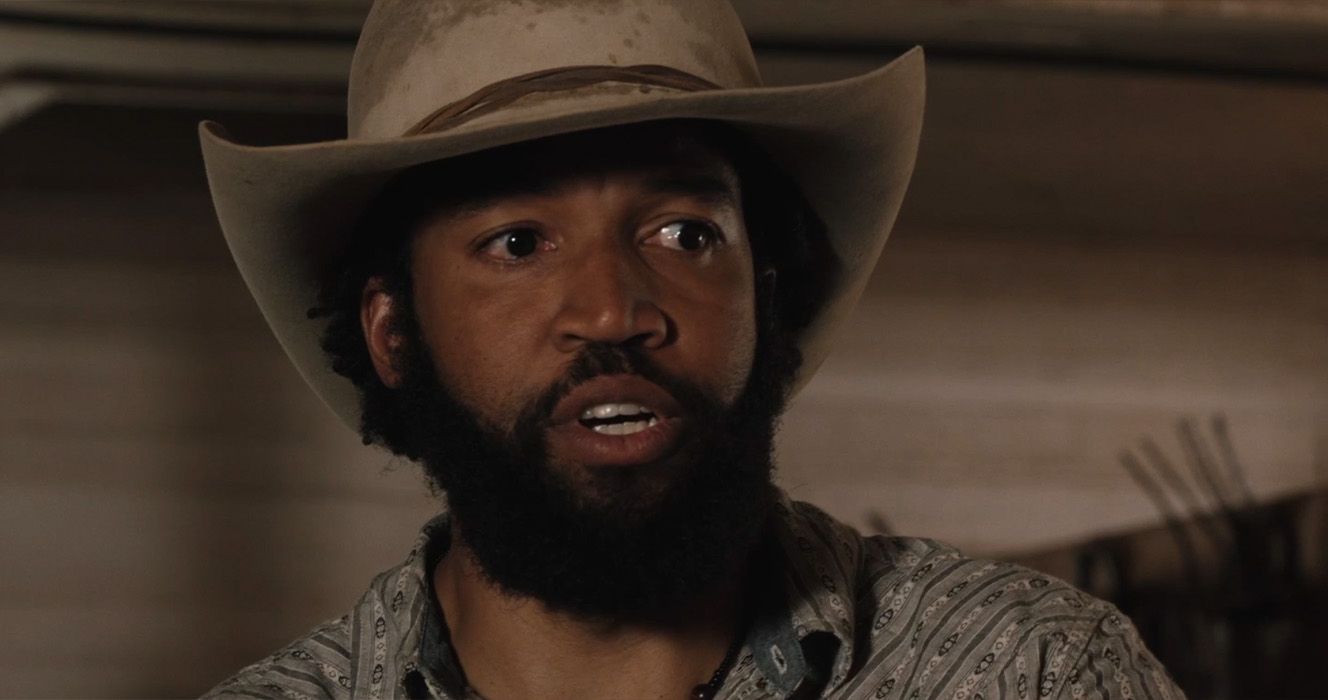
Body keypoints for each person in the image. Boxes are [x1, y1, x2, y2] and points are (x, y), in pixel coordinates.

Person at [198, 1, 1184, 698]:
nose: (614, 310)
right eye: (516, 244)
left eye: (683, 233)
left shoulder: (1032, 673)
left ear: (766, 289)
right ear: (393, 331)